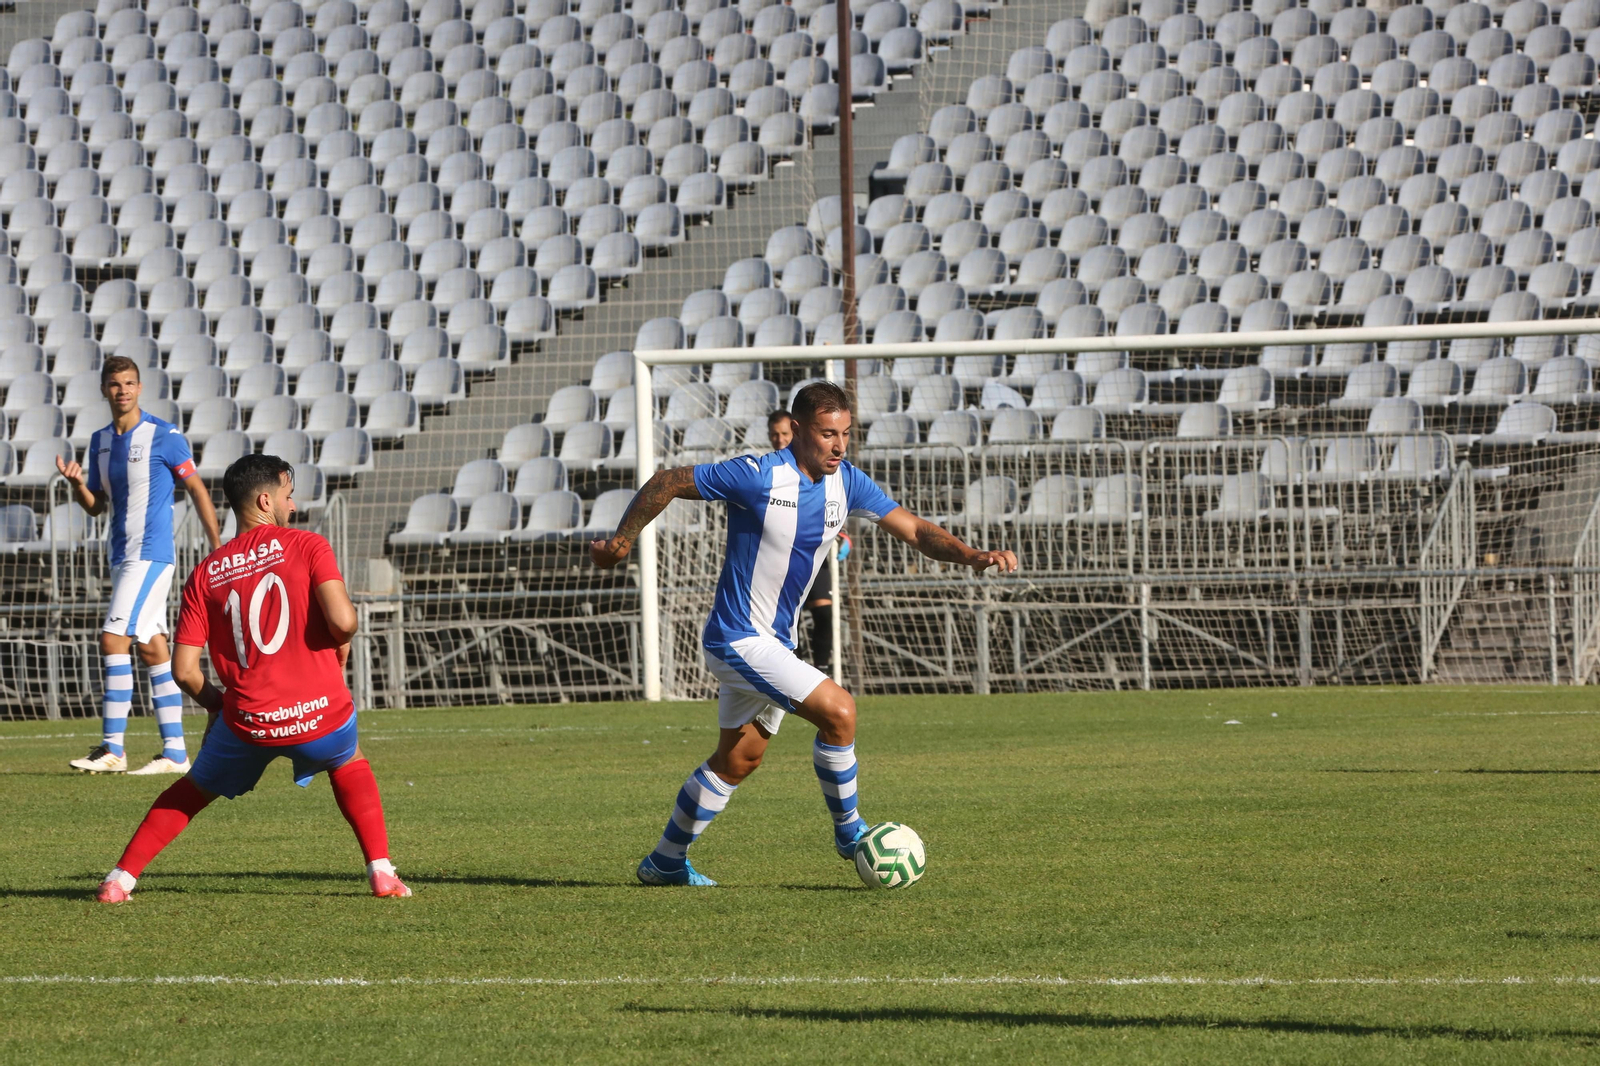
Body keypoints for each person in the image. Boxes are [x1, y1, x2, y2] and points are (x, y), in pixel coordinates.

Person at [592, 381, 1018, 886]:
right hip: (738, 637)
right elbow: (666, 480)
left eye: (845, 434)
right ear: (796, 430)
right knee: (840, 711)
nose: (838, 446)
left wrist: (970, 555)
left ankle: (664, 862)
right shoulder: (757, 475)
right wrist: (621, 542)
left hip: (774, 642)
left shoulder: (849, 482)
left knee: (738, 760)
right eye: (826, 434)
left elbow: (914, 529)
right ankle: (850, 832)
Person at [94, 454, 410, 902]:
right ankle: (381, 871)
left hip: (248, 721)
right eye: (288, 494)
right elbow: (343, 622)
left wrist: (219, 708)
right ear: (267, 499)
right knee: (348, 760)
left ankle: (120, 880)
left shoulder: (205, 573)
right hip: (318, 712)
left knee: (192, 790)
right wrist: (337, 642)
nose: (293, 505)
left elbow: (183, 671)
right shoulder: (308, 545)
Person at [59, 355, 222, 775]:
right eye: (115, 384)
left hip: (150, 555)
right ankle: (175, 753)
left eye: (130, 383)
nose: (123, 390)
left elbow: (198, 490)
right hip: (121, 555)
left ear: (140, 388)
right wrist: (78, 485)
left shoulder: (163, 435)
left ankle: (113, 747)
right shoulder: (99, 441)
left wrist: (217, 544)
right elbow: (96, 507)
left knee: (113, 639)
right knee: (152, 649)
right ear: (104, 389)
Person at [767, 408, 836, 672]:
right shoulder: (769, 471)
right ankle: (794, 670)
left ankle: (822, 670)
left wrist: (840, 533)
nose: (779, 439)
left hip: (815, 556)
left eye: (784, 433)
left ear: (795, 432)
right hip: (782, 559)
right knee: (785, 620)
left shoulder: (819, 469)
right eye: (774, 434)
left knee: (823, 613)